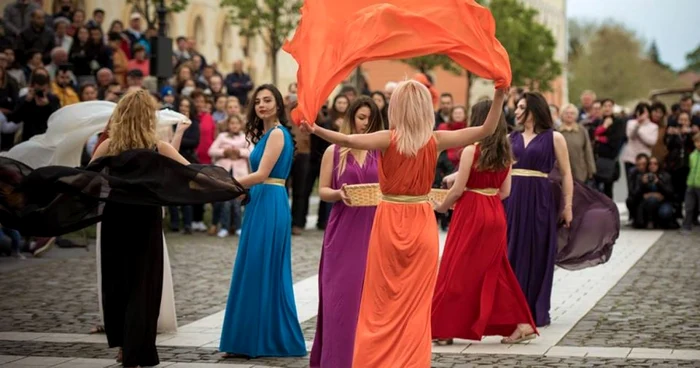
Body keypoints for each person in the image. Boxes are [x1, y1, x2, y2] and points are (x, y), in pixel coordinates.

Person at [0, 90, 247, 367]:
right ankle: (136, 349)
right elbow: (195, 175)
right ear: (147, 119)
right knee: (144, 285)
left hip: (116, 223)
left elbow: (86, 183)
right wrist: (235, 190)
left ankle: (125, 346)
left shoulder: (108, 147)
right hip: (145, 224)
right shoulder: (158, 147)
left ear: (120, 116)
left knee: (119, 283)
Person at [300, 81, 506, 368]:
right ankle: (411, 361)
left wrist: (316, 129)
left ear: (396, 108)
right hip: (421, 220)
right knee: (416, 303)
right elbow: (485, 130)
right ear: (425, 109)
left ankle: (377, 360)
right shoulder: (435, 140)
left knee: (381, 299)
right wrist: (498, 97)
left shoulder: (388, 138)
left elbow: (347, 141)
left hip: (388, 219)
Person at [432, 99, 537, 345]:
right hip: (495, 211)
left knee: (456, 268)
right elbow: (505, 192)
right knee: (495, 270)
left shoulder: (472, 150)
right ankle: (521, 324)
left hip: (471, 213)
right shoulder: (506, 152)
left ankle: (445, 328)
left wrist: (441, 207)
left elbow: (458, 190)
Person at [219, 84, 306, 358]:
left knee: (263, 267)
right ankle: (246, 339)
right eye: (258, 102)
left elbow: (261, 174)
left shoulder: (278, 134)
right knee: (253, 267)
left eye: (267, 100)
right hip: (259, 201)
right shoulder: (267, 134)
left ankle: (264, 339)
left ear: (278, 105)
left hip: (270, 200)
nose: (262, 105)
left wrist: (225, 184)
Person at [310, 96, 384, 368]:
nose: (365, 124)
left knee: (371, 299)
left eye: (370, 119)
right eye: (361, 117)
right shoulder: (335, 151)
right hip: (343, 230)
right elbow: (323, 191)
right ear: (351, 117)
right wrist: (340, 193)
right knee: (341, 296)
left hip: (375, 228)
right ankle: (337, 359)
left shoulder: (381, 151)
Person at [503, 91, 574, 327]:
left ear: (533, 109)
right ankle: (511, 308)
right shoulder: (510, 138)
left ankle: (535, 309)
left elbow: (566, 174)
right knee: (511, 250)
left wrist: (568, 206)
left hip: (540, 199)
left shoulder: (555, 138)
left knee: (538, 252)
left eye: (521, 107)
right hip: (512, 198)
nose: (517, 111)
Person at [557, 104, 596, 184]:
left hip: (580, 170)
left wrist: (591, 169)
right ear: (562, 115)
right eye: (566, 113)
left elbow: (587, 150)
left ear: (576, 116)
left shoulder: (582, 130)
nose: (569, 115)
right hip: (561, 170)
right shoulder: (557, 131)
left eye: (572, 113)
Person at [682, 133, 700, 233]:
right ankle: (686, 226)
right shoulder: (692, 155)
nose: (698, 144)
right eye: (697, 142)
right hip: (691, 184)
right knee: (689, 206)